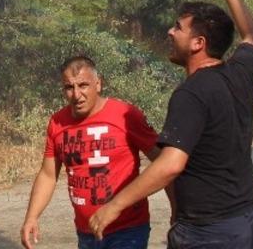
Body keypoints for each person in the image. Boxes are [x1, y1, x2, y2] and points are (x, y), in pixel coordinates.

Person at [88, 0, 253, 248]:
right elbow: (252, 34)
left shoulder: (191, 93)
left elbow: (171, 164)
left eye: (178, 28)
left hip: (210, 233)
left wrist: (114, 205)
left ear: (198, 43)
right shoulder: (240, 73)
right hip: (251, 221)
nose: (170, 32)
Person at [20, 55, 162, 249]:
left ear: (98, 84)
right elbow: (48, 174)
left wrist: (178, 211)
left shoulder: (126, 115)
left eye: (83, 85)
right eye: (69, 87)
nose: (77, 95)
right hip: (86, 233)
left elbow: (164, 163)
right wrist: (31, 217)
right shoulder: (57, 123)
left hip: (127, 231)